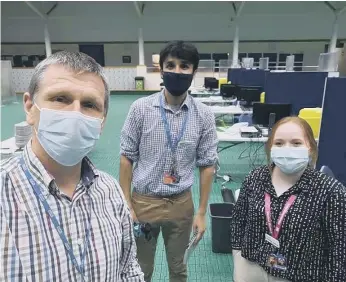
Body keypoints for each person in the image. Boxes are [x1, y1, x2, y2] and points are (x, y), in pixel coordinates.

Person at [0, 51, 144, 282]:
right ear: (29, 107)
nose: (75, 114)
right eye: (60, 99)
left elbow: (127, 269)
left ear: (102, 121)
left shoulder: (110, 191)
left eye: (89, 104)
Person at [119, 41, 218, 281]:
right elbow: (126, 158)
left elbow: (207, 166)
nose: (177, 71)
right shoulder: (140, 109)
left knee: (179, 268)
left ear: (194, 72)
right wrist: (127, 205)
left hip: (181, 205)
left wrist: (202, 212)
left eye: (184, 66)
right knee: (140, 270)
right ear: (161, 70)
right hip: (144, 203)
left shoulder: (203, 114)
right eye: (170, 65)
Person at [230, 116, 346, 282]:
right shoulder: (255, 178)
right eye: (279, 143)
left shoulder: (331, 191)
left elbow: (339, 250)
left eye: (296, 143)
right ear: (271, 148)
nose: (287, 149)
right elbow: (238, 220)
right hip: (251, 266)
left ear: (310, 148)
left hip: (298, 274)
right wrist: (238, 259)